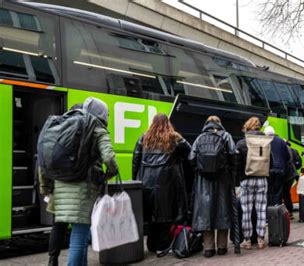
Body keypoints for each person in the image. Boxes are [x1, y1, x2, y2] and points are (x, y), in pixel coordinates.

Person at [52, 97, 118, 266]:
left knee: (77, 232)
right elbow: (109, 158)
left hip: (61, 185)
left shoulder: (65, 123)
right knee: (79, 236)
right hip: (82, 188)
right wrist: (110, 173)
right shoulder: (96, 127)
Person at [132, 114, 190, 255]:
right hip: (166, 181)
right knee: (166, 215)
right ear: (167, 123)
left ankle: (151, 244)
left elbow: (136, 159)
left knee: (151, 214)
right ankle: (163, 245)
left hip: (147, 182)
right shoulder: (174, 137)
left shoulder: (144, 137)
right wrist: (178, 159)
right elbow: (189, 150)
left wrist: (135, 179)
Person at [38, 104, 83, 266]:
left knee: (58, 226)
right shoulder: (81, 133)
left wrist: (45, 189)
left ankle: (52, 259)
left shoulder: (54, 131)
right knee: (79, 228)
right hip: (77, 189)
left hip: (58, 191)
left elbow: (42, 164)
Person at [189, 116, 236, 258]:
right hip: (222, 180)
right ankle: (222, 247)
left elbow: (191, 158)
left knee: (205, 213)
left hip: (203, 182)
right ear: (220, 124)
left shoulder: (200, 137)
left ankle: (208, 249)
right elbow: (234, 155)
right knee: (223, 211)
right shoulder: (226, 136)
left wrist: (200, 169)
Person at [235, 117, 270, 250]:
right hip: (262, 179)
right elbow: (270, 161)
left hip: (247, 179)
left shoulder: (241, 143)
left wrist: (238, 181)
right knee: (261, 210)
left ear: (247, 128)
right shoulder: (266, 142)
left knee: (246, 211)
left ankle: (248, 240)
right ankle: (261, 239)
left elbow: (237, 164)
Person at [264, 126, 290, 208]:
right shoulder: (281, 141)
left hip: (268, 170)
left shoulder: (264, 141)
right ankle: (276, 211)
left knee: (268, 191)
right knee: (278, 192)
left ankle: (268, 211)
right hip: (280, 170)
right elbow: (287, 156)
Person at [283, 142, 302, 219]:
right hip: (292, 174)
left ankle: (284, 212)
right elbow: (299, 163)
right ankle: (289, 212)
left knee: (283, 193)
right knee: (287, 193)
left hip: (285, 174)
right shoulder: (294, 150)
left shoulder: (283, 151)